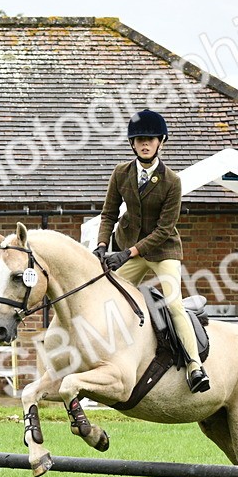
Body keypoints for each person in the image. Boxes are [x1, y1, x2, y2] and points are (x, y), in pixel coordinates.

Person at [94, 109, 209, 393]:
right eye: (140, 139)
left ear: (161, 142)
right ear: (132, 144)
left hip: (163, 250)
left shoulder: (171, 181)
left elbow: (164, 229)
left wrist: (129, 252)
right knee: (108, 299)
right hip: (128, 248)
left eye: (151, 139)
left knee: (173, 303)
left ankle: (195, 366)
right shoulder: (120, 173)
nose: (145, 144)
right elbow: (108, 214)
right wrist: (100, 246)